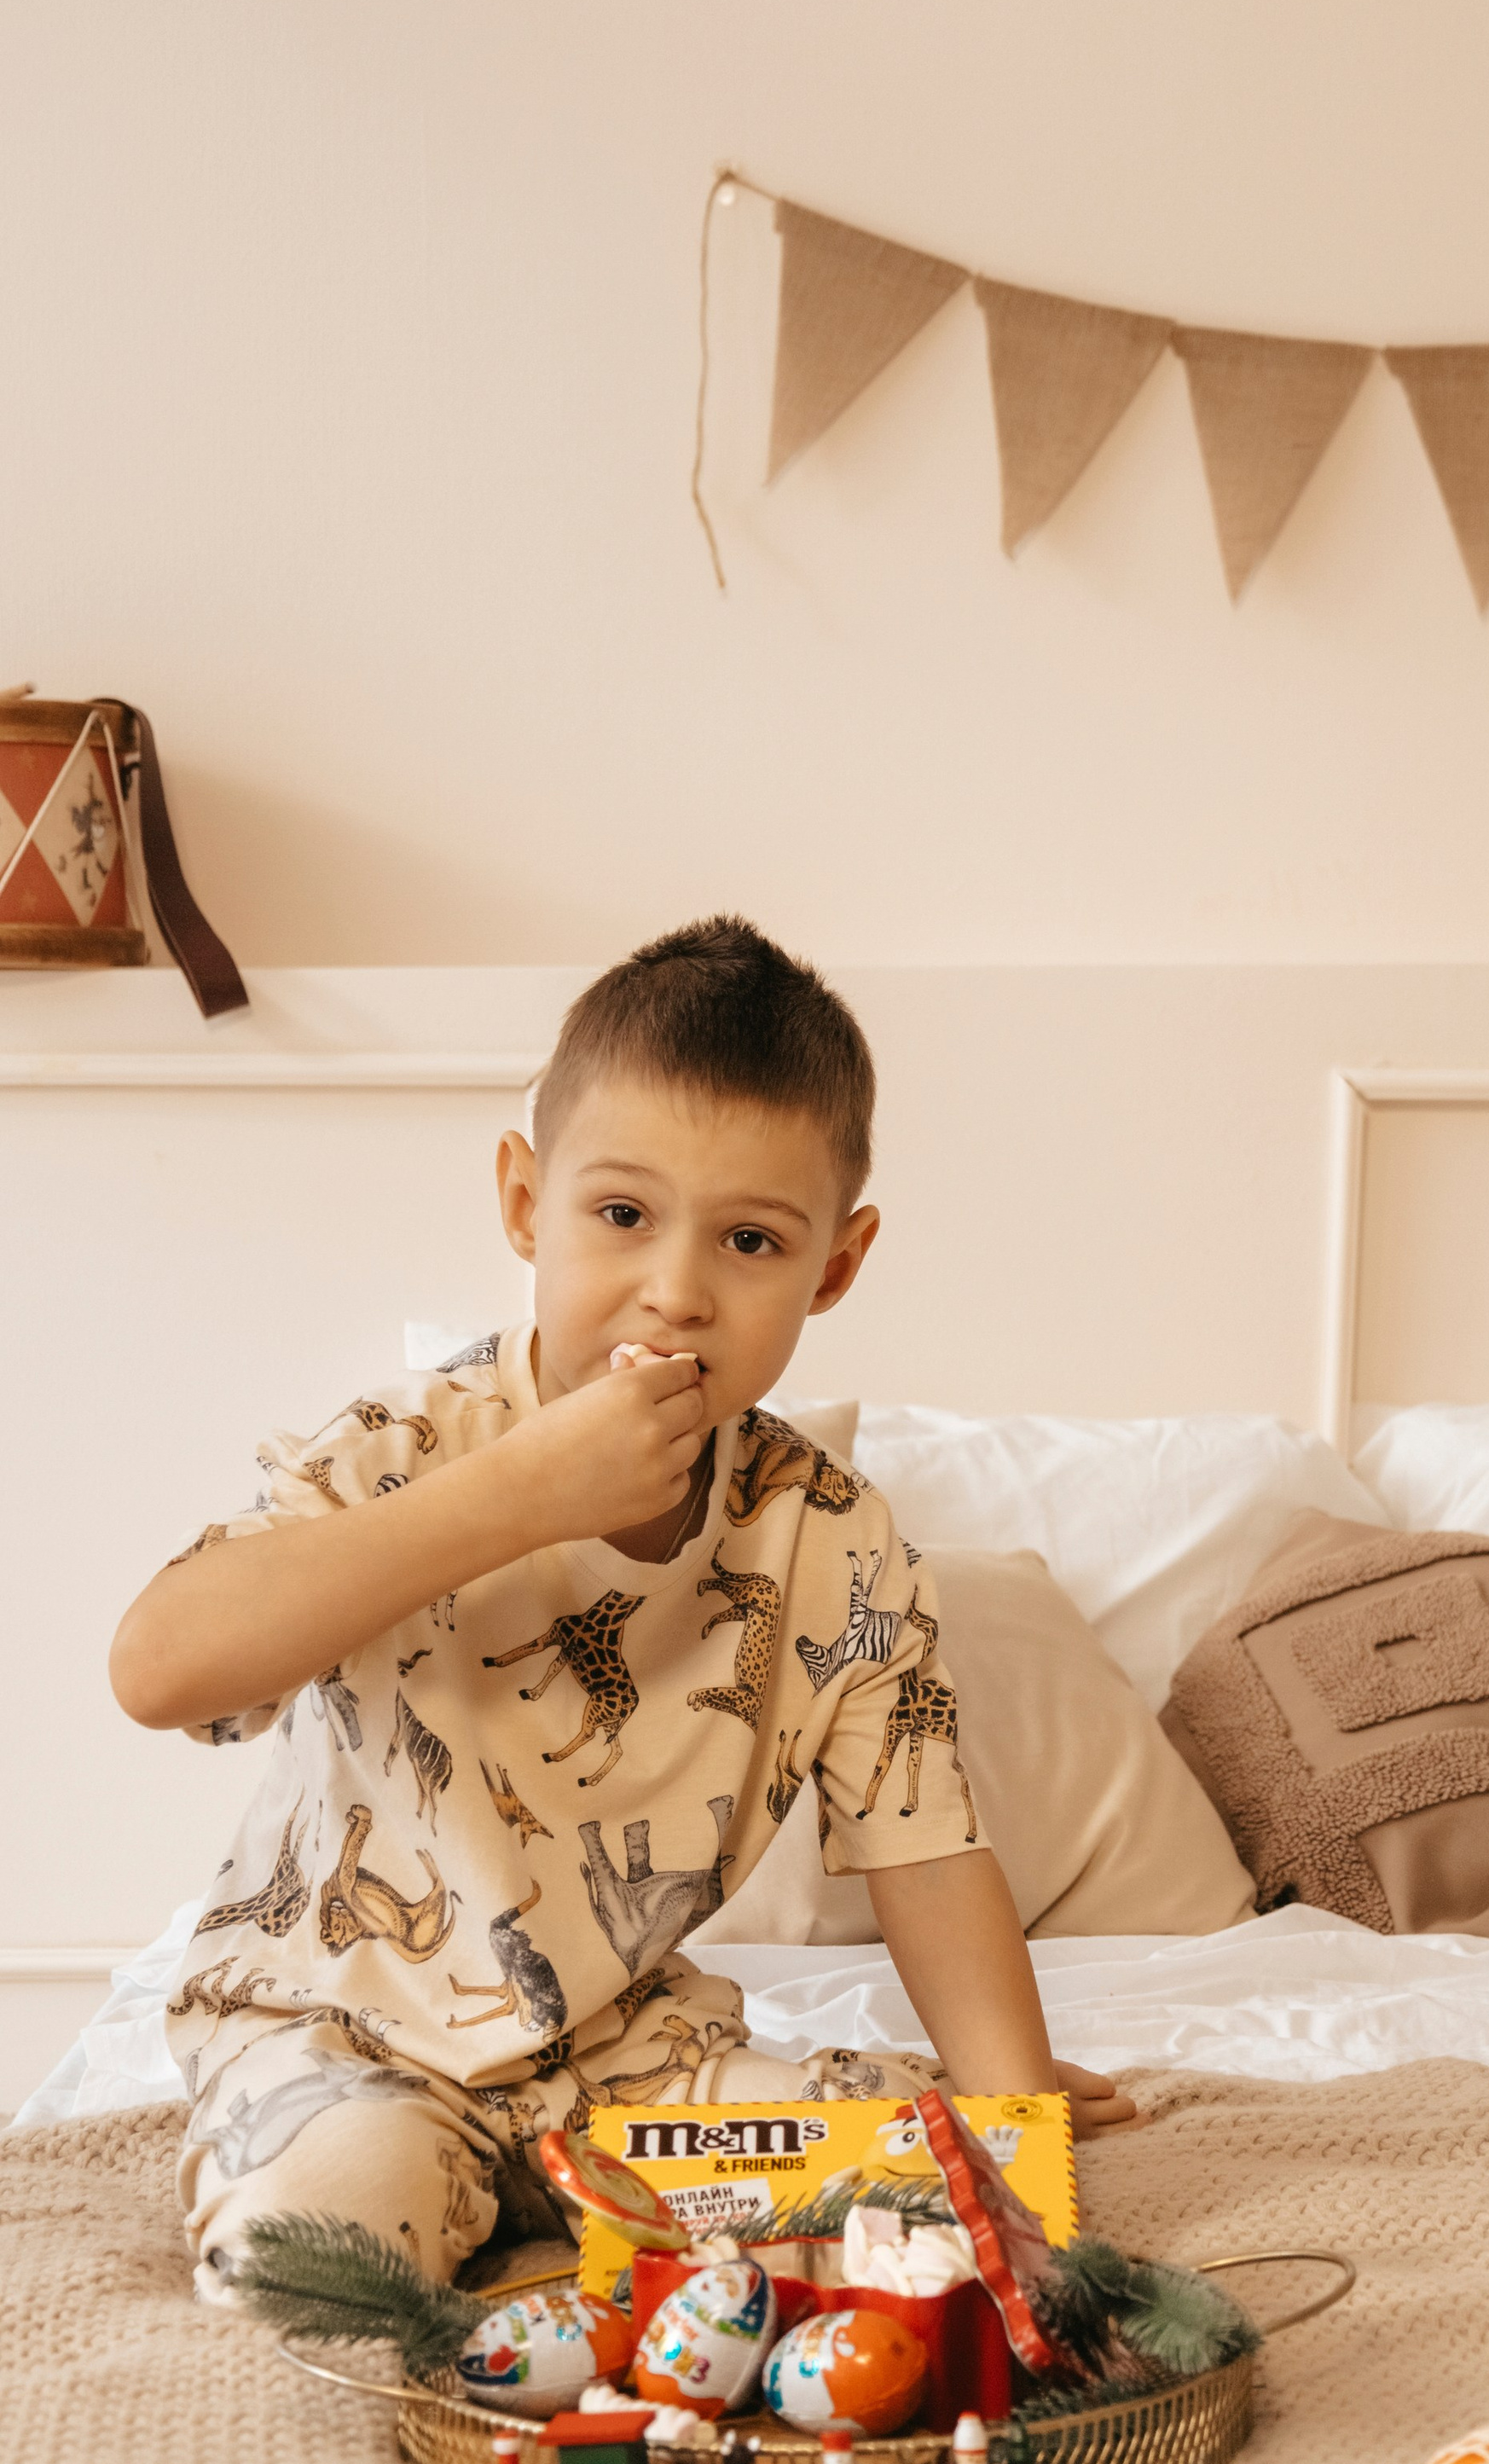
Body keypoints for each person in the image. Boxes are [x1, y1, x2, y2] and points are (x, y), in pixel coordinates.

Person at [111, 916, 1133, 2299]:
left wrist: (1013, 2126)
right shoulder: (408, 1452)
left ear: (834, 1266)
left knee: (930, 2199)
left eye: (754, 1240)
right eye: (621, 1216)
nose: (677, 1289)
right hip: (337, 2035)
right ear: (527, 1203)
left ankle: (602, 2206)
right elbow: (158, 1666)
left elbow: (932, 1858)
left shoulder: (831, 1542)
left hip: (617, 2060)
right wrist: (516, 1494)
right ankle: (448, 2203)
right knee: (323, 2254)